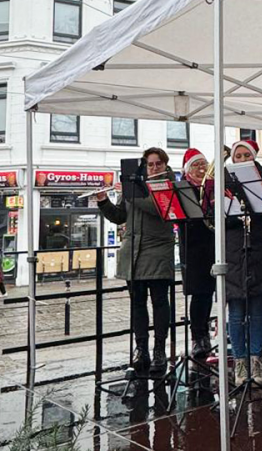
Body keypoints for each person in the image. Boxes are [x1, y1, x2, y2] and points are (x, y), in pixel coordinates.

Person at [97, 147, 175, 376]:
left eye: (158, 164)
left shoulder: (167, 184)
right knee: (137, 304)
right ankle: (141, 349)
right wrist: (103, 202)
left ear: (165, 165)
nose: (153, 168)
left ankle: (160, 349)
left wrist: (131, 193)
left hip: (158, 249)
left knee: (160, 302)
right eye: (149, 164)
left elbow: (158, 209)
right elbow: (120, 216)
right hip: (133, 252)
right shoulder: (134, 186)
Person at [225, 139, 262, 386]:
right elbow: (213, 212)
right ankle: (240, 360)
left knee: (258, 308)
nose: (241, 159)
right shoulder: (226, 178)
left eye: (245, 155)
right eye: (237, 156)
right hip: (233, 249)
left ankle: (255, 359)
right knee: (237, 310)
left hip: (259, 247)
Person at [177, 148, 216, 359]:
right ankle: (198, 336)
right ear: (188, 170)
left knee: (208, 292)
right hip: (193, 247)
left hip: (212, 245)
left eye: (203, 164)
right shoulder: (183, 189)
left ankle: (206, 332)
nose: (201, 168)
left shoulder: (212, 187)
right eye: (196, 165)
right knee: (199, 294)